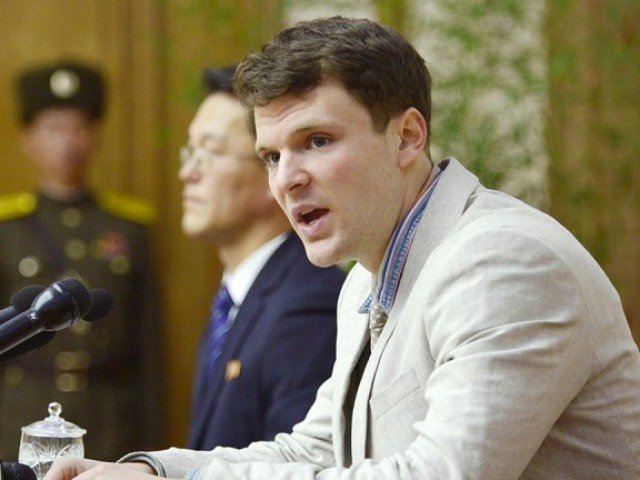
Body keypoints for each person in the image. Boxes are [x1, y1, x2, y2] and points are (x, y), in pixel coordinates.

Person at [45, 16, 640, 480]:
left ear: (408, 136)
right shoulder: (366, 273)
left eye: (317, 141)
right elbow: (320, 448)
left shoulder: (503, 261)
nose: (286, 179)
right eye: (272, 156)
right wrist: (151, 468)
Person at [0, 60, 164, 461]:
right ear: (28, 138)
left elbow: (149, 349)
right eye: (53, 128)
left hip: (110, 414)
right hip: (21, 411)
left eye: (78, 127)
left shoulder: (130, 228)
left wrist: (151, 445)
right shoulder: (7, 228)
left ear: (95, 135)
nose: (67, 142)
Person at [180, 65, 344, 450]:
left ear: (275, 169)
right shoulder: (238, 295)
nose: (188, 172)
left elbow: (299, 465)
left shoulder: (307, 304)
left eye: (212, 152)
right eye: (190, 151)